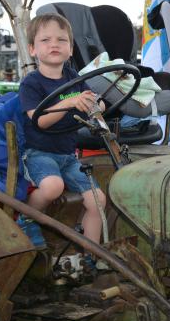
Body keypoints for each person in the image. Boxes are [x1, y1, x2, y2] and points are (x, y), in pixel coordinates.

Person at [18, 13, 106, 248]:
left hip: (68, 155)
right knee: (52, 187)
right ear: (32, 49)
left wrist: (97, 104)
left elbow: (92, 101)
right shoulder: (31, 83)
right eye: (45, 40)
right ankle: (26, 217)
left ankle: (92, 254)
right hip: (39, 152)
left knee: (98, 201)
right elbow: (39, 121)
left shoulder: (73, 78)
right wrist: (69, 102)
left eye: (61, 40)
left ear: (70, 49)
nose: (54, 44)